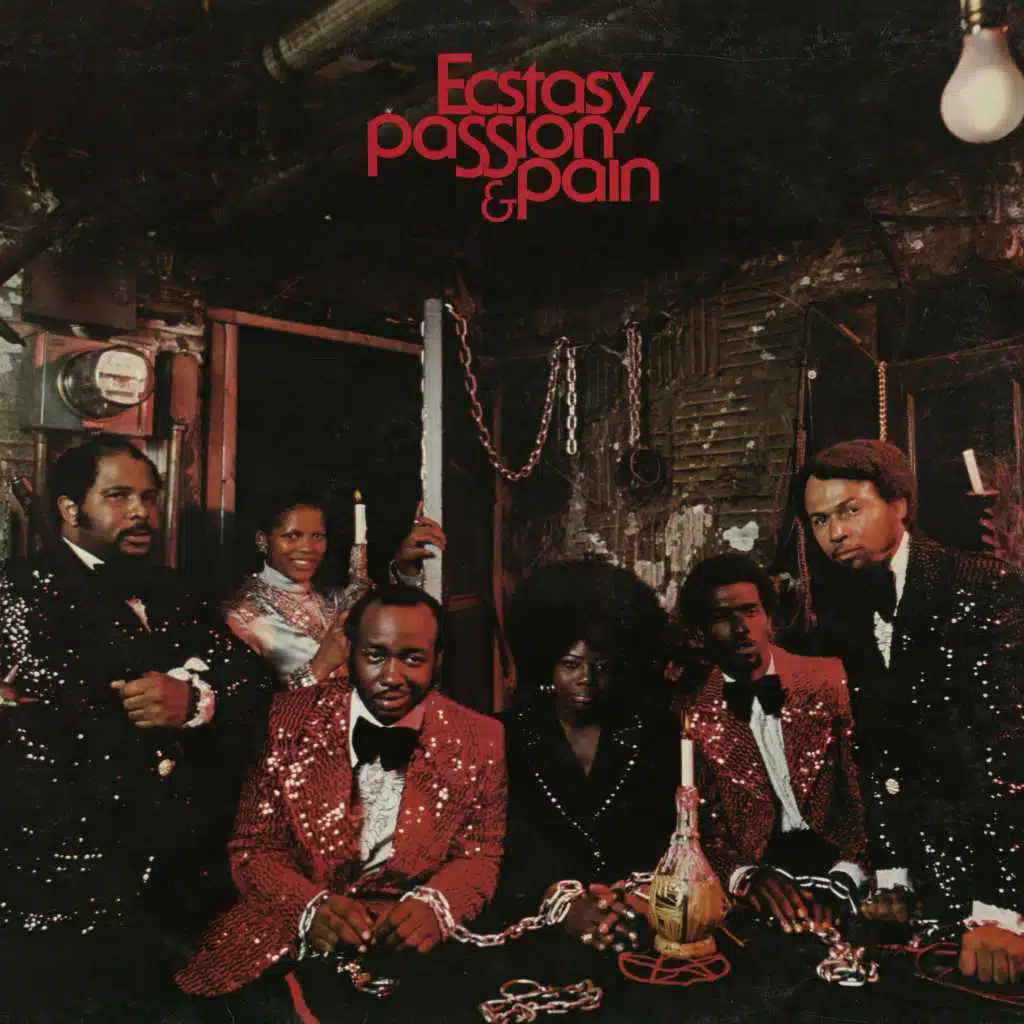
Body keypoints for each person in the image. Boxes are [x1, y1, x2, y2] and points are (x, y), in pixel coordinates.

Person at [0, 436, 276, 1021]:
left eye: (148, 497)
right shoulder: (18, 590)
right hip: (68, 889)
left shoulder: (173, 588)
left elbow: (253, 684)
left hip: (181, 886)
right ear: (69, 509)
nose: (141, 512)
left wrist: (196, 700)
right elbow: (63, 713)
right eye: (118, 496)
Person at [177, 583, 507, 1021]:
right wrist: (307, 910)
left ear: (438, 660)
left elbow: (480, 854)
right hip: (280, 944)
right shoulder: (286, 719)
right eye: (375, 655)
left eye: (413, 659)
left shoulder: (481, 737)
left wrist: (436, 905)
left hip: (416, 953)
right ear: (349, 651)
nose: (391, 677)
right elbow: (252, 849)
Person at [803, 438, 1023, 984]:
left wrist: (998, 909)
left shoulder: (983, 584)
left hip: (999, 889)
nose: (835, 533)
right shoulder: (844, 605)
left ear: (899, 504)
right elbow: (880, 751)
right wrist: (893, 877)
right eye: (820, 520)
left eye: (850, 510)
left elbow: (1007, 753)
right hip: (924, 893)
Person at [675, 554, 868, 934]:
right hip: (760, 877)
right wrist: (743, 877)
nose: (741, 628)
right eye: (722, 617)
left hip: (845, 864)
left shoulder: (830, 680)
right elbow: (700, 828)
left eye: (750, 611)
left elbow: (865, 792)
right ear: (699, 634)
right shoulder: (691, 712)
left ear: (769, 618)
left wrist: (846, 876)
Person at [496, 559, 679, 954]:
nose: (586, 680)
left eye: (602, 667)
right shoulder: (506, 735)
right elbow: (507, 848)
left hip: (633, 922)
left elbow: (662, 835)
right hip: (538, 928)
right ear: (546, 663)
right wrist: (563, 903)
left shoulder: (652, 733)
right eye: (571, 664)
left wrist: (632, 897)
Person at [225, 488, 445, 688]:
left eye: (317, 536)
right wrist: (319, 667)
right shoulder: (241, 616)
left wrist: (406, 566)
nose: (307, 548)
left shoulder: (334, 599)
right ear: (263, 541)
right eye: (292, 536)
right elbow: (250, 706)